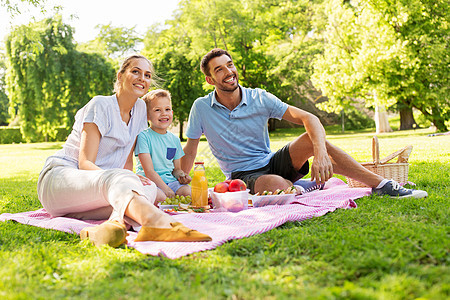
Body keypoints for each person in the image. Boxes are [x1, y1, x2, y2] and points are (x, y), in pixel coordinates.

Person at [181, 48, 427, 199]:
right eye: (219, 70)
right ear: (210, 79)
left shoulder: (260, 97)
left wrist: (319, 154)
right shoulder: (201, 108)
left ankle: (382, 185)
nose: (228, 72)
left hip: (272, 160)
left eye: (230, 65)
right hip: (243, 174)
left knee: (313, 138)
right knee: (277, 185)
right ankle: (306, 186)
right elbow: (190, 151)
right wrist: (178, 177)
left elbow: (309, 118)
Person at [37, 55, 211, 247]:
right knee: (129, 182)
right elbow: (85, 163)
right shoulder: (100, 105)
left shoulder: (139, 110)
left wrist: (132, 179)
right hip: (61, 179)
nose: (142, 78)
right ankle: (157, 224)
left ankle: (112, 225)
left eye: (147, 75)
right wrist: (125, 178)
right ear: (120, 76)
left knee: (153, 190)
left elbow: (127, 161)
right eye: (135, 71)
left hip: (90, 196)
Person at [135, 89, 191, 203]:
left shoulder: (174, 139)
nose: (164, 113)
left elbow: (176, 169)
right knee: (160, 196)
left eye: (167, 109)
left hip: (170, 182)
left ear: (172, 112)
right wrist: (166, 189)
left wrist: (182, 176)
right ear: (147, 116)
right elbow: (149, 171)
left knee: (188, 192)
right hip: (150, 182)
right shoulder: (143, 137)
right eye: (157, 110)